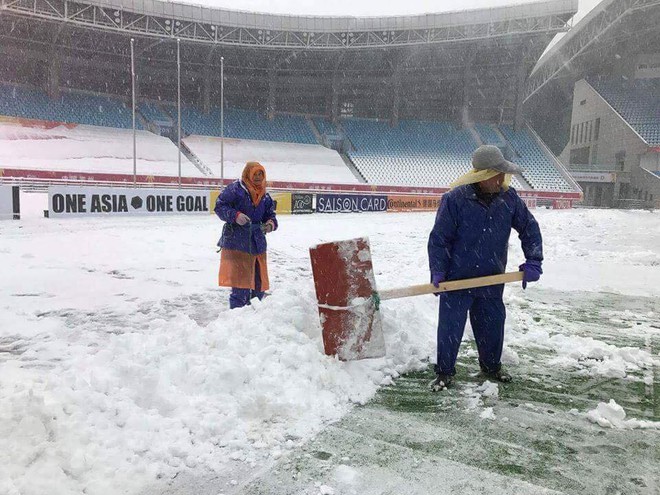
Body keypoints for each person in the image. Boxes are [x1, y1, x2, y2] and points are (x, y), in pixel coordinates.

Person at [427, 145, 543, 391]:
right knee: (449, 329)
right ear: (482, 175)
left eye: (503, 174)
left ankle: (491, 367)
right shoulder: (455, 200)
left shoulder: (509, 199)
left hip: (491, 279)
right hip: (457, 280)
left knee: (492, 325)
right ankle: (444, 372)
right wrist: (438, 270)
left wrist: (534, 259)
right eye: (496, 174)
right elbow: (439, 239)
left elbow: (529, 228)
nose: (502, 179)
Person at [215, 161, 277, 309]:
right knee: (240, 288)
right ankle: (237, 320)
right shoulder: (235, 190)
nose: (257, 177)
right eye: (255, 174)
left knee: (258, 287)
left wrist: (270, 224)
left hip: (257, 245)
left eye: (260, 174)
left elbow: (271, 215)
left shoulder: (265, 196)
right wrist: (235, 216)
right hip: (238, 244)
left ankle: (254, 319)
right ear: (248, 173)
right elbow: (219, 206)